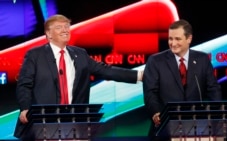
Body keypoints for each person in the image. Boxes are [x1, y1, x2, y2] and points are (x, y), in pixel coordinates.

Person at [14, 14, 143, 139]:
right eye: (59, 27)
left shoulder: (80, 54)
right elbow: (24, 85)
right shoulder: (35, 55)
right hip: (43, 125)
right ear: (48, 34)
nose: (65, 30)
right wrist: (25, 108)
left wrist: (139, 75)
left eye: (67, 27)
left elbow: (105, 70)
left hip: (75, 125)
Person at [142, 19, 222, 141]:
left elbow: (213, 89)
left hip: (196, 130)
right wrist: (156, 112)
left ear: (189, 39)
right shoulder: (155, 61)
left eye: (177, 39)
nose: (173, 43)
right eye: (170, 39)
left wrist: (217, 115)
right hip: (165, 129)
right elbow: (150, 93)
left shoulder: (202, 59)